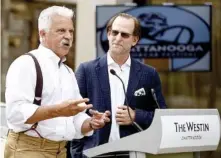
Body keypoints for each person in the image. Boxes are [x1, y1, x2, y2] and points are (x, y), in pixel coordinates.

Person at [4, 6, 110, 158]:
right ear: (42, 34)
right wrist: (59, 110)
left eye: (71, 31)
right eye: (61, 31)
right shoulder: (26, 64)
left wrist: (91, 123)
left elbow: (75, 118)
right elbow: (15, 113)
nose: (68, 36)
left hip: (60, 151)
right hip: (28, 149)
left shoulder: (67, 72)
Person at [69, 13, 166, 158]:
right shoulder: (86, 70)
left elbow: (162, 117)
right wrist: (77, 153)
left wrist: (136, 116)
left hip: (132, 153)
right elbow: (72, 114)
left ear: (134, 40)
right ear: (108, 34)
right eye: (114, 32)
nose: (118, 38)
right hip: (93, 153)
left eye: (125, 35)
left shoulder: (148, 74)